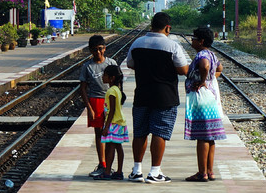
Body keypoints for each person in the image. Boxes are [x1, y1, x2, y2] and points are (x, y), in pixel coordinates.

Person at [124, 12, 190, 183]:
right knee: (159, 132)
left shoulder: (137, 43)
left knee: (140, 132)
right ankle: (154, 172)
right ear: (168, 28)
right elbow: (184, 70)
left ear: (151, 25)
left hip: (142, 94)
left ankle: (136, 171)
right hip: (165, 96)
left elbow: (130, 64)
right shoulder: (172, 46)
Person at [184, 27, 226, 182]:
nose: (192, 40)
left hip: (201, 99)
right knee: (210, 137)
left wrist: (202, 81)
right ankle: (210, 171)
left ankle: (202, 173)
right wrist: (209, 79)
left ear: (201, 41)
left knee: (202, 136)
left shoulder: (202, 54)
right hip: (210, 98)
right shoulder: (212, 54)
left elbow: (205, 66)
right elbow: (219, 68)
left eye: (194, 38)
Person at [79, 35, 117, 178]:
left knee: (110, 134)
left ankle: (109, 164)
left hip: (110, 100)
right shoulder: (87, 67)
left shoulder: (111, 63)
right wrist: (89, 108)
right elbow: (83, 88)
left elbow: (118, 84)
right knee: (99, 134)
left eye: (100, 49)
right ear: (90, 51)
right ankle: (102, 163)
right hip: (95, 101)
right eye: (95, 50)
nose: (98, 53)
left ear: (104, 48)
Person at [94, 64, 128, 180]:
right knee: (118, 147)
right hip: (119, 122)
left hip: (113, 123)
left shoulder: (111, 91)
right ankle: (119, 171)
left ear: (112, 78)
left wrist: (106, 127)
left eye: (105, 75)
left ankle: (107, 172)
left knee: (111, 147)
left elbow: (112, 110)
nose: (102, 77)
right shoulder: (117, 89)